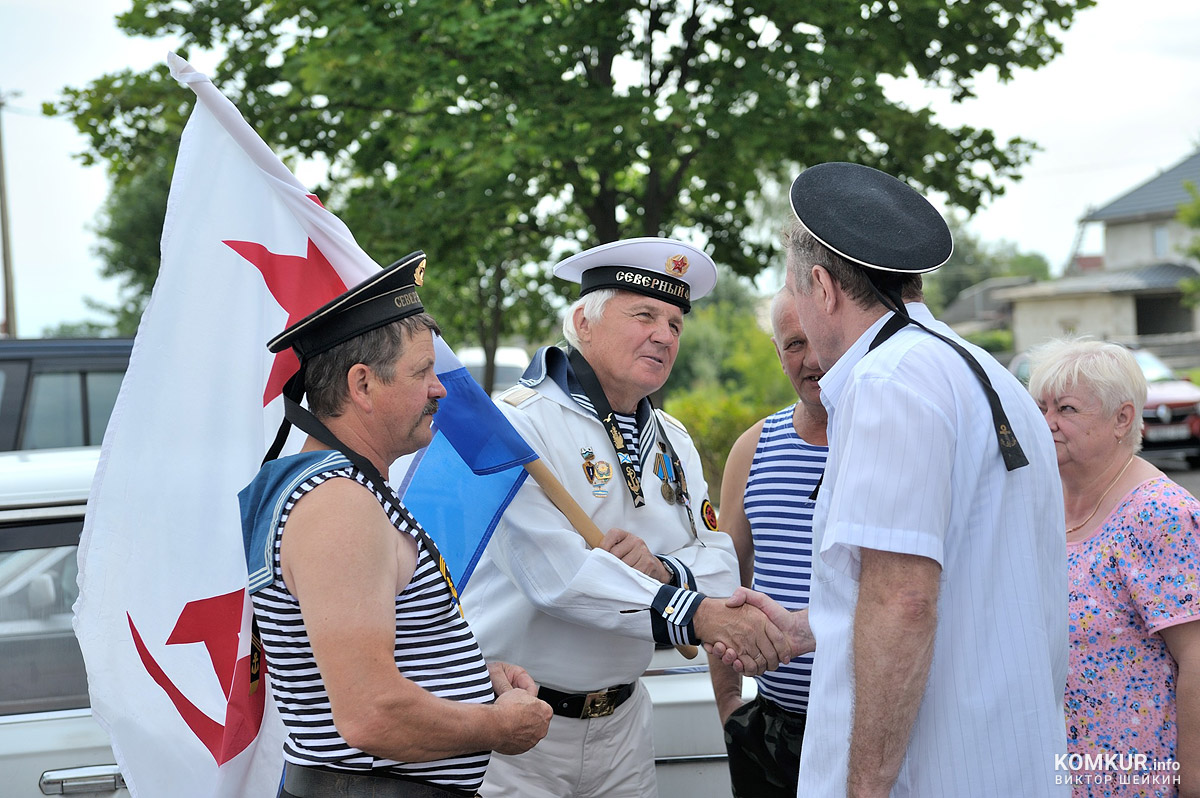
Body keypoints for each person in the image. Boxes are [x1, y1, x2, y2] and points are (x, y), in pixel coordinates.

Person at [716, 162, 1069, 797]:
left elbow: (903, 601)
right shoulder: (986, 374)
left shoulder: (887, 384)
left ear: (821, 287)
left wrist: (866, 790)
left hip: (932, 773)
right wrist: (807, 628)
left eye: (796, 293)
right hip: (1008, 764)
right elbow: (972, 580)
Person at [460, 237, 791, 798]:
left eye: (675, 323)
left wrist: (665, 574)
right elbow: (560, 580)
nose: (664, 335)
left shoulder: (674, 440)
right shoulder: (517, 429)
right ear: (581, 322)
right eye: (644, 314)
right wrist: (696, 615)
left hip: (626, 726)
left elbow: (721, 564)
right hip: (514, 732)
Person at [239, 253, 552, 798]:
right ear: (361, 385)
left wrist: (475, 685)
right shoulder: (337, 503)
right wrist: (497, 727)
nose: (440, 389)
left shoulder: (345, 491)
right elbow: (370, 714)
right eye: (422, 372)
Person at [1028, 338, 1200, 797]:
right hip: (1057, 774)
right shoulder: (1042, 503)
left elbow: (1196, 658)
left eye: (1065, 409)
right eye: (1039, 407)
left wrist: (1193, 785)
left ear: (1123, 418)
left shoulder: (1159, 514)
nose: (1047, 423)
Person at [709, 289, 828, 798]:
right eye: (795, 343)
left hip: (872, 726)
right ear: (779, 355)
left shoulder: (886, 439)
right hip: (771, 734)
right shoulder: (753, 447)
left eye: (821, 339)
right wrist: (729, 707)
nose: (813, 359)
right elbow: (723, 577)